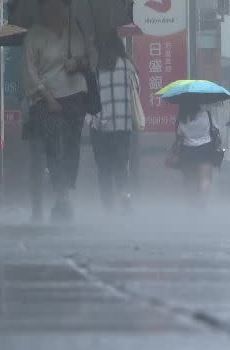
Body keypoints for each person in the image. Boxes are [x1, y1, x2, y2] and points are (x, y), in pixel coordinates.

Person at [22, 0, 96, 222]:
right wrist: (47, 97)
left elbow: (92, 58)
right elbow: (29, 72)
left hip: (75, 94)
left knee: (72, 145)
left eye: (59, 5)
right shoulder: (34, 35)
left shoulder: (77, 28)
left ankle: (64, 193)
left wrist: (79, 62)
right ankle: (60, 194)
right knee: (54, 145)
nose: (54, 9)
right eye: (48, 5)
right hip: (44, 98)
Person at [89, 30, 141, 213]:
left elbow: (89, 97)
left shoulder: (95, 68)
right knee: (121, 164)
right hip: (123, 126)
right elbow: (137, 90)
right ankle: (124, 195)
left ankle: (107, 206)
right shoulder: (128, 65)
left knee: (104, 169)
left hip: (100, 127)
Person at [176, 102, 216, 206]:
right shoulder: (206, 114)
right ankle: (202, 203)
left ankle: (191, 203)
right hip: (205, 148)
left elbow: (179, 134)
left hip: (187, 149)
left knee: (189, 178)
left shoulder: (183, 117)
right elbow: (215, 128)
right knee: (205, 178)